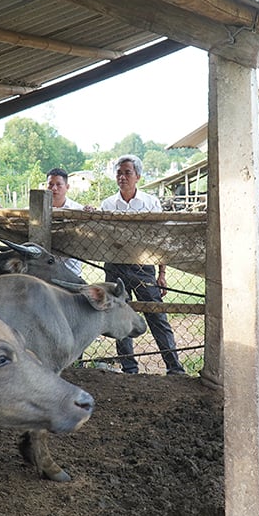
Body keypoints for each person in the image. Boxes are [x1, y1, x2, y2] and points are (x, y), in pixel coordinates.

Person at [98, 155, 186, 375]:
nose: (122, 177)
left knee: (156, 315)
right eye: (119, 172)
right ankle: (129, 367)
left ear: (138, 176)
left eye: (127, 172)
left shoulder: (150, 203)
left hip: (143, 267)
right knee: (120, 313)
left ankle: (174, 367)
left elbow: (161, 239)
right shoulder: (107, 204)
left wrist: (162, 273)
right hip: (115, 266)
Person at [44, 168, 84, 277]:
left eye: (59, 185)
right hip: (45, 271)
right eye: (50, 184)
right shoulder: (37, 209)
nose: (54, 188)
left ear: (67, 187)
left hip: (72, 271)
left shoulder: (79, 210)